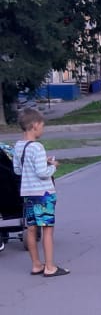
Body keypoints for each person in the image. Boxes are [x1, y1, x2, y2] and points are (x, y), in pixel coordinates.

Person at [12, 107, 68, 276]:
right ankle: (50, 267)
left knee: (31, 228)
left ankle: (36, 264)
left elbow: (17, 170)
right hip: (44, 194)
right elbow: (42, 173)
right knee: (47, 229)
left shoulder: (19, 146)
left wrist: (41, 163)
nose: (43, 129)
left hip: (28, 193)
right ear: (35, 125)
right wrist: (52, 166)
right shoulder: (37, 147)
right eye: (42, 126)